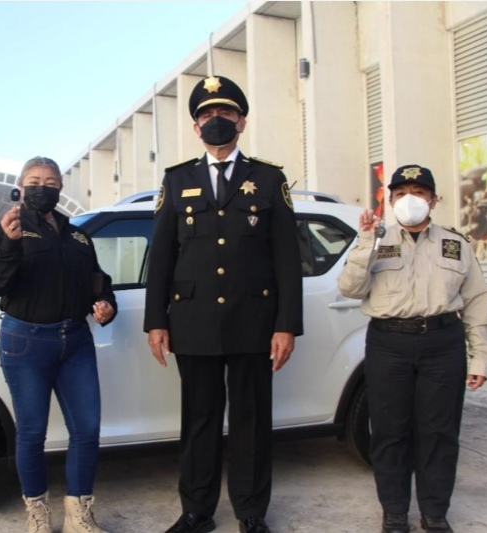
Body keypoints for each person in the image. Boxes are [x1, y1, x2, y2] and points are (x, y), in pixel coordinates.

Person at [143, 75, 303, 533]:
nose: (216, 121)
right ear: (196, 127)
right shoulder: (177, 180)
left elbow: (286, 260)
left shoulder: (268, 179)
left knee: (252, 422)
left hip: (254, 320)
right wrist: (157, 321)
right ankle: (197, 511)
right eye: (207, 115)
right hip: (193, 321)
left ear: (242, 121)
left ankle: (251, 513)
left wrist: (286, 324)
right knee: (199, 420)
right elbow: (162, 258)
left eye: (225, 114)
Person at [337, 164, 487, 533]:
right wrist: (365, 241)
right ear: (390, 200)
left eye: (419, 193)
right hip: (389, 344)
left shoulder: (456, 244)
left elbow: (477, 301)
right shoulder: (375, 240)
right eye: (402, 192)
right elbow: (350, 288)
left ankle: (435, 513)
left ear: (434, 200)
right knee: (391, 432)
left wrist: (482, 356)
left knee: (439, 432)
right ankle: (394, 512)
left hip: (444, 343)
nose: (411, 199)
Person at [0, 156, 117, 533]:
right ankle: (37, 514)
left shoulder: (77, 236)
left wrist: (106, 304)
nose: (44, 187)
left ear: (59, 188)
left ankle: (79, 516)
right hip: (25, 343)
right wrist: (7, 244)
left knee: (87, 430)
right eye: (35, 180)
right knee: (32, 433)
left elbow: (97, 280)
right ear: (21, 187)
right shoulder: (8, 227)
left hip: (74, 341)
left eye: (51, 181)